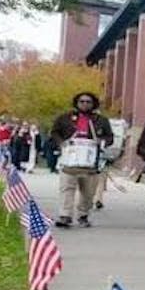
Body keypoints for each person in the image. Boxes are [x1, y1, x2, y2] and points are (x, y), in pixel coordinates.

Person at [49, 93, 113, 228]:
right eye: (81, 101)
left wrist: (101, 141)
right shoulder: (65, 118)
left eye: (88, 102)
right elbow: (54, 132)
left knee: (88, 191)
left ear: (93, 104)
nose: (85, 104)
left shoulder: (101, 120)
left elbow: (110, 137)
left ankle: (83, 215)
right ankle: (65, 215)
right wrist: (61, 143)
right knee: (67, 187)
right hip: (70, 158)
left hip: (91, 161)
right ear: (76, 103)